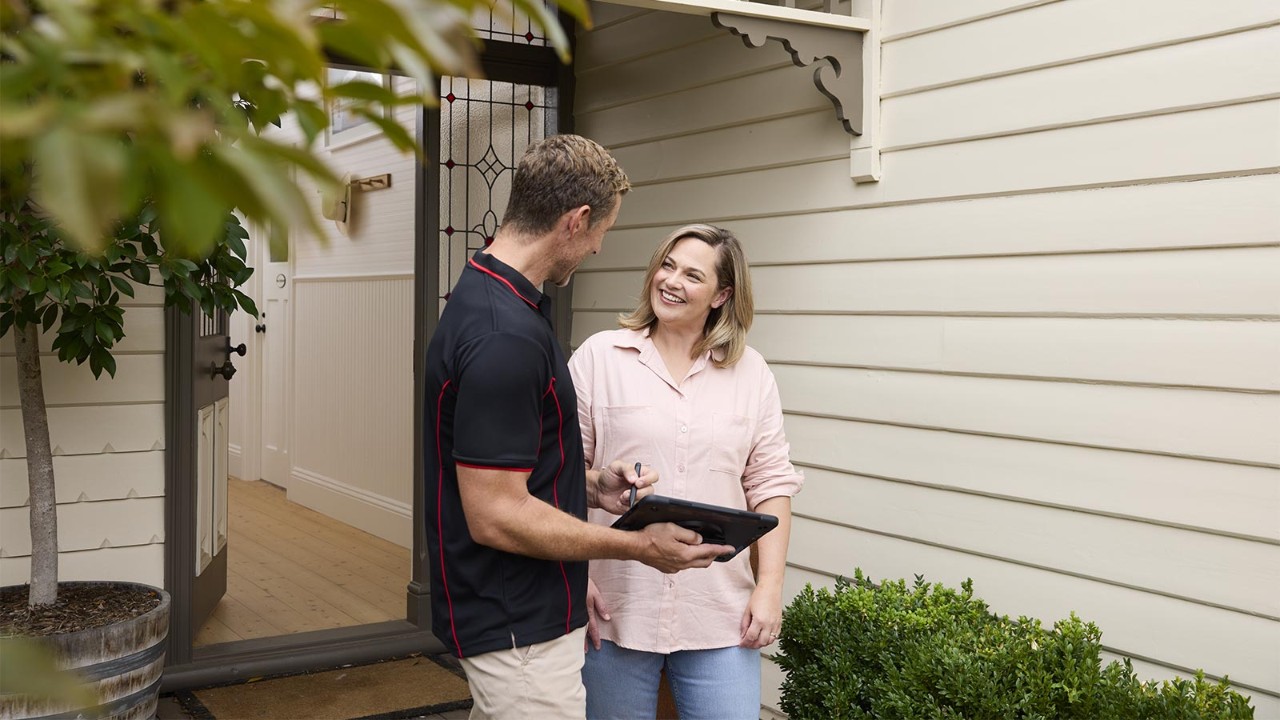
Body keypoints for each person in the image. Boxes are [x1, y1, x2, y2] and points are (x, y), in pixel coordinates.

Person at [423, 136, 734, 720]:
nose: (596, 248)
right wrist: (639, 545)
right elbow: (496, 513)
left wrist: (589, 486)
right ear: (576, 220)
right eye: (601, 232)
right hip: (518, 625)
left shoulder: (494, 297)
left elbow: (512, 469)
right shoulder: (504, 336)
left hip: (518, 617)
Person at [568, 224, 804, 720]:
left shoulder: (752, 373)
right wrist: (573, 576)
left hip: (718, 614)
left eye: (693, 275)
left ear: (722, 295)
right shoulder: (599, 358)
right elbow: (563, 473)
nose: (671, 281)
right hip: (613, 609)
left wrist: (770, 586)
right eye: (667, 265)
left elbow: (770, 484)